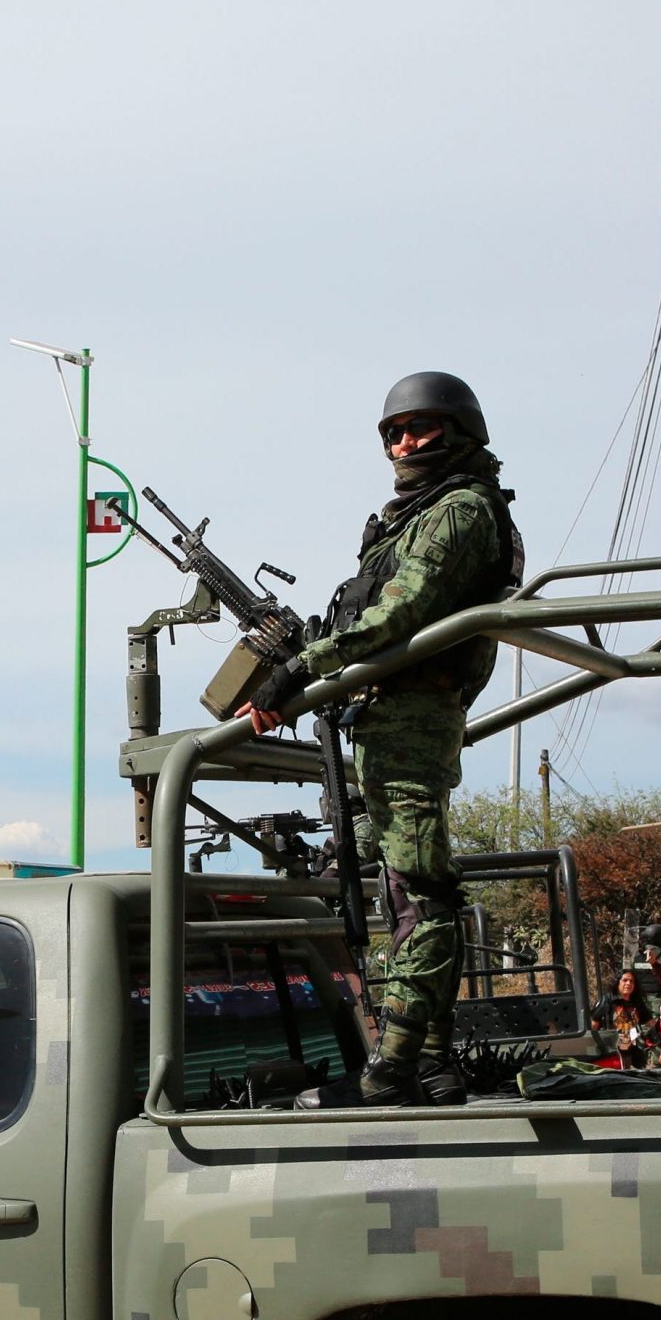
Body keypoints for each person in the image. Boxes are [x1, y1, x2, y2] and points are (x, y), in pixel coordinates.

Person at [238, 371, 524, 1105]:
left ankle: (390, 1069)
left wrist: (299, 669)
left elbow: (399, 616)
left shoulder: (459, 512)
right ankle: (429, 1063)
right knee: (397, 897)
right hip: (384, 720)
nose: (404, 442)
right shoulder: (417, 515)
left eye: (421, 427)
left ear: (462, 432)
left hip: (413, 721)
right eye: (394, 431)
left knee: (421, 895)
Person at [605, 969, 653, 1068]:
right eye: (625, 980)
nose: (628, 983)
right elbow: (594, 1024)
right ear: (618, 982)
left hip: (633, 1050)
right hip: (613, 1051)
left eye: (632, 981)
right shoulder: (608, 1001)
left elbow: (650, 1023)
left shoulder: (637, 1002)